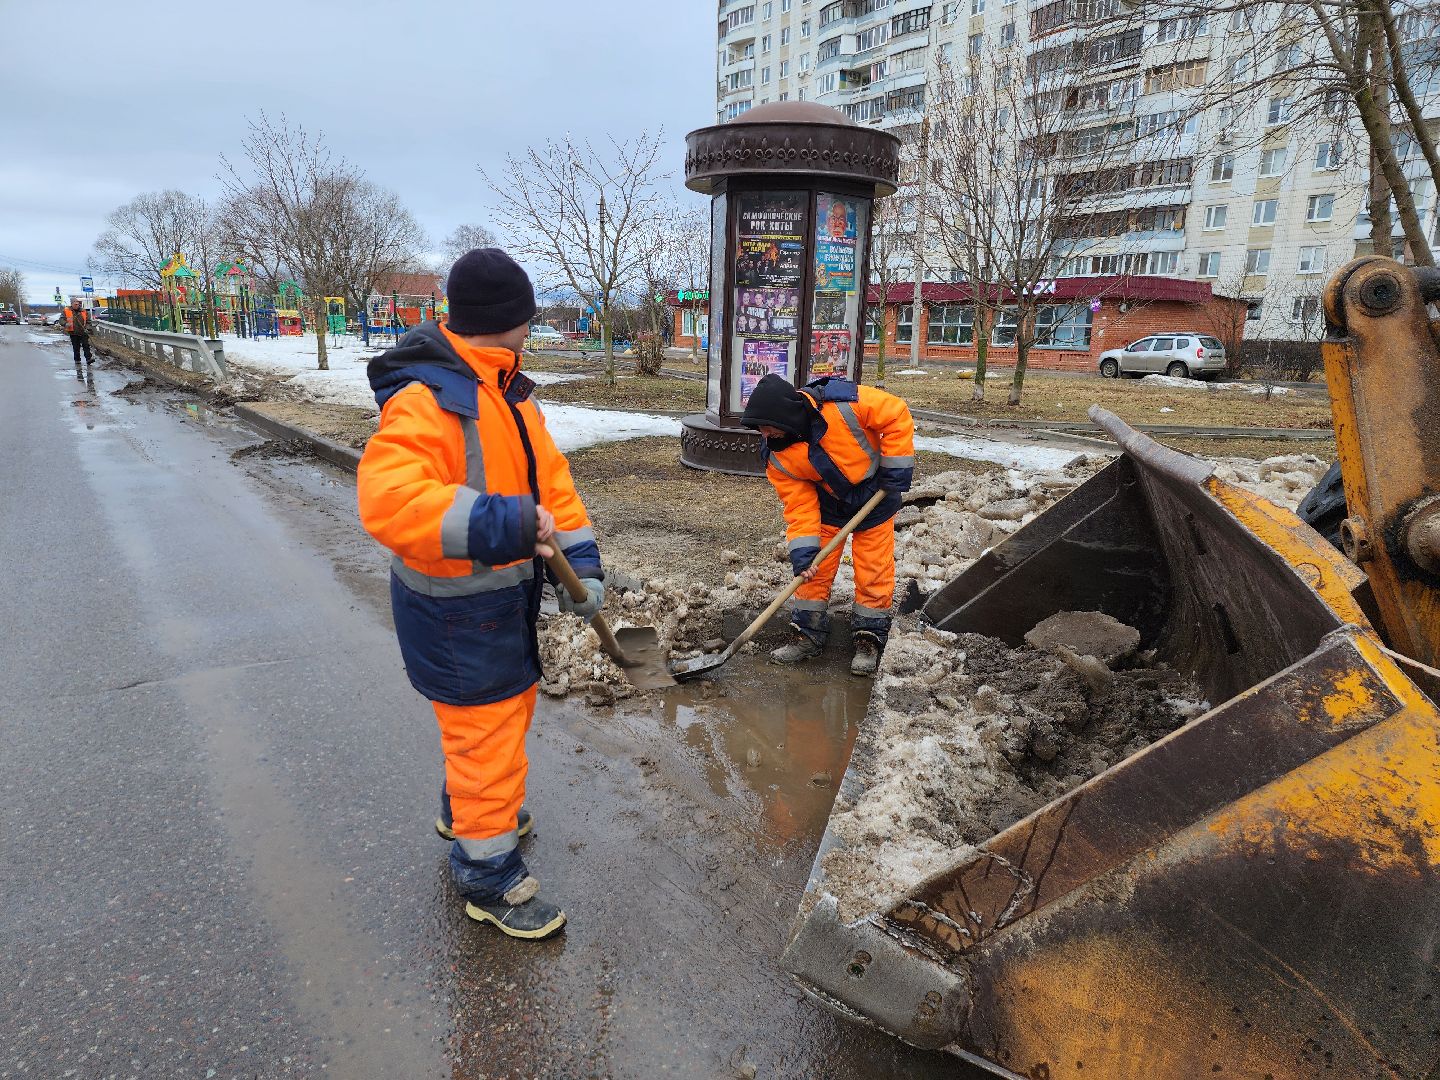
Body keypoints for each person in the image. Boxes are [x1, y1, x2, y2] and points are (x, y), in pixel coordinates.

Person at [357, 248, 605, 940]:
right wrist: (504, 524)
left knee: (500, 721)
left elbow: (552, 486)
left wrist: (582, 565)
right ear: (516, 321)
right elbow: (388, 501)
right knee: (485, 736)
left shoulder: (509, 396)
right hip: (456, 614)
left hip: (502, 605)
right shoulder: (428, 400)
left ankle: (469, 809)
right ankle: (487, 873)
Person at [740, 372, 914, 676]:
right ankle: (807, 634)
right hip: (830, 506)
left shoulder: (843, 403)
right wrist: (804, 554)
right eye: (760, 430)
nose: (764, 435)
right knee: (813, 571)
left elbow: (896, 414)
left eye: (767, 428)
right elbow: (799, 506)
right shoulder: (778, 458)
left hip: (876, 494)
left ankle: (869, 639)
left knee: (873, 568)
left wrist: (895, 470)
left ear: (785, 418)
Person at [62, 299, 93, 367]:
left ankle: (88, 359)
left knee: (86, 345)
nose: (77, 305)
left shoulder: (84, 311)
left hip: (83, 331)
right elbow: (61, 320)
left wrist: (87, 328)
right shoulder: (66, 311)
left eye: (78, 304)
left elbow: (88, 321)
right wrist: (65, 324)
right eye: (75, 304)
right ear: (72, 304)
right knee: (76, 347)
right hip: (73, 332)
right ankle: (77, 360)